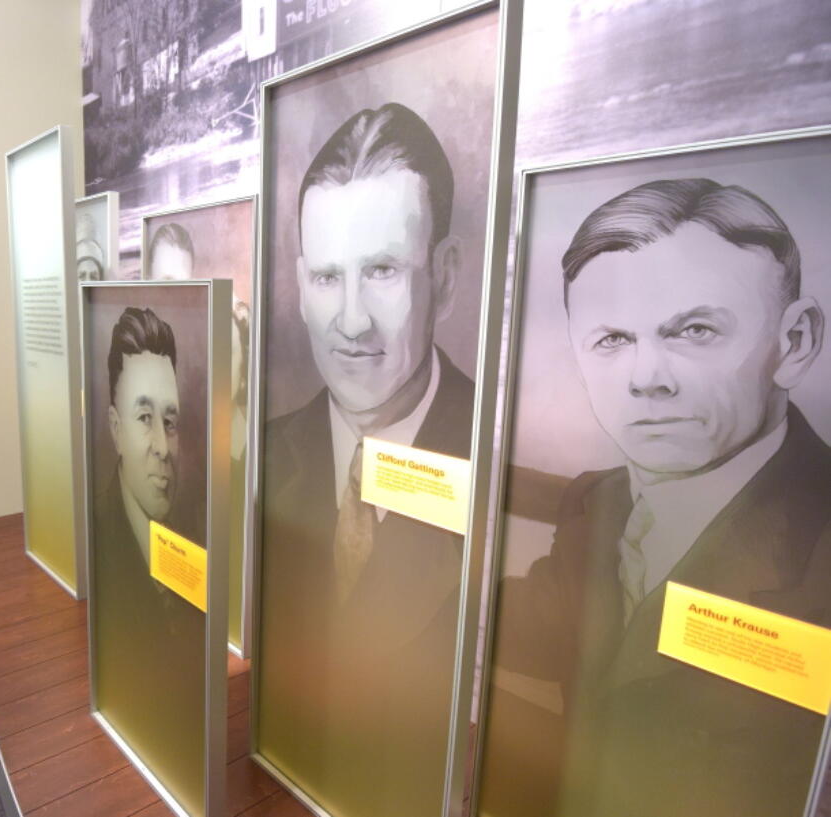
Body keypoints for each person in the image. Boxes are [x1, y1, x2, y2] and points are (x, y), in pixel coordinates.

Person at [485, 178, 831, 817]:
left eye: (695, 330)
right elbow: (555, 624)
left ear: (796, 341)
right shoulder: (602, 503)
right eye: (612, 339)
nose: (647, 380)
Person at [258, 102, 474, 815]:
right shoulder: (263, 453)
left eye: (381, 270)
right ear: (296, 281)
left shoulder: (496, 455)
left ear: (443, 275)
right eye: (326, 278)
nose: (350, 322)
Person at [91, 306, 206, 810]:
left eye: (171, 421)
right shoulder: (102, 532)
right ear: (115, 428)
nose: (163, 445)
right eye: (143, 419)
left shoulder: (191, 529)